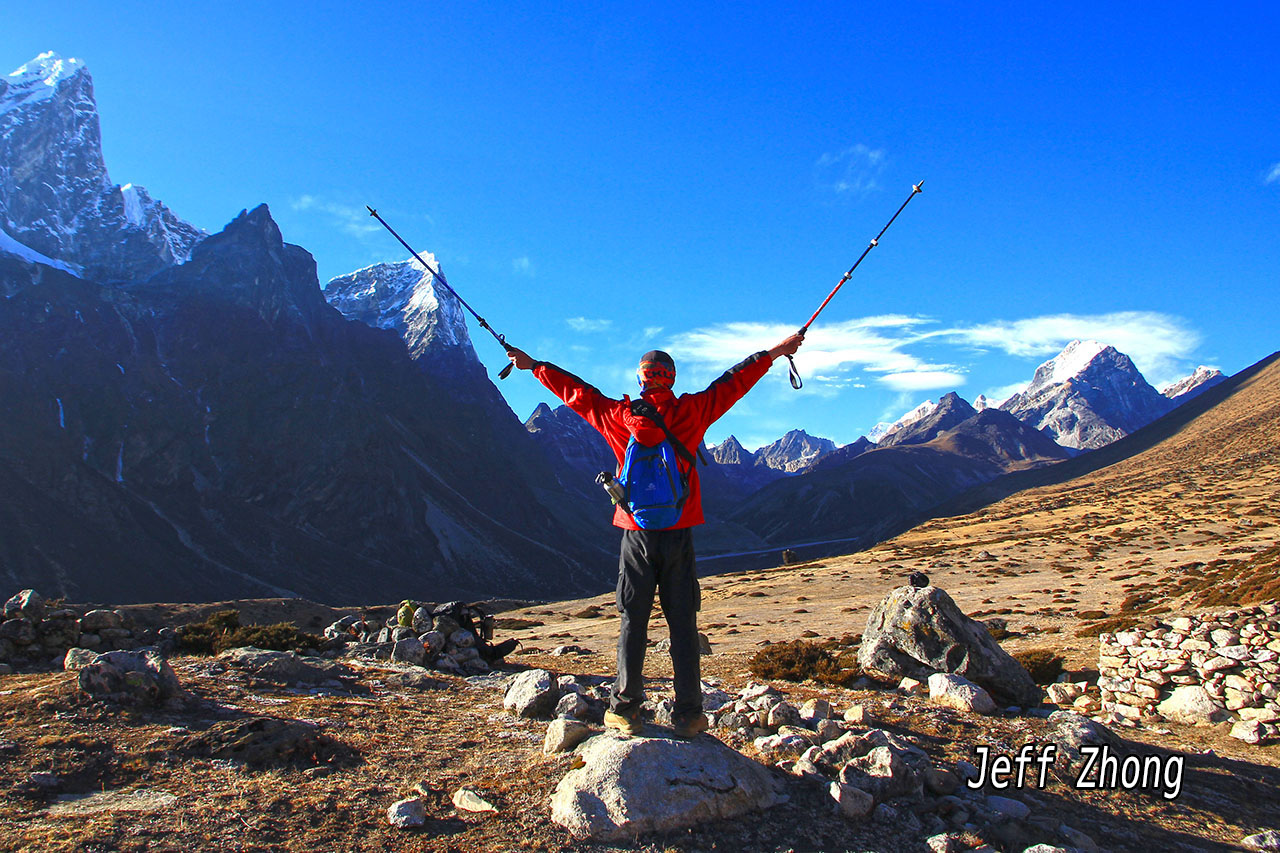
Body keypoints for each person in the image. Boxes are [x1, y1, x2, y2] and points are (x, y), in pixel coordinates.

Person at [507, 333, 804, 738]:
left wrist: (533, 365)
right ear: (672, 379)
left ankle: (625, 710)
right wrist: (774, 353)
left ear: (642, 379)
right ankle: (688, 714)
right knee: (682, 622)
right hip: (679, 531)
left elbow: (578, 393)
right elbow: (733, 381)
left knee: (633, 619)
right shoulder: (693, 411)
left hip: (636, 533)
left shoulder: (616, 414)